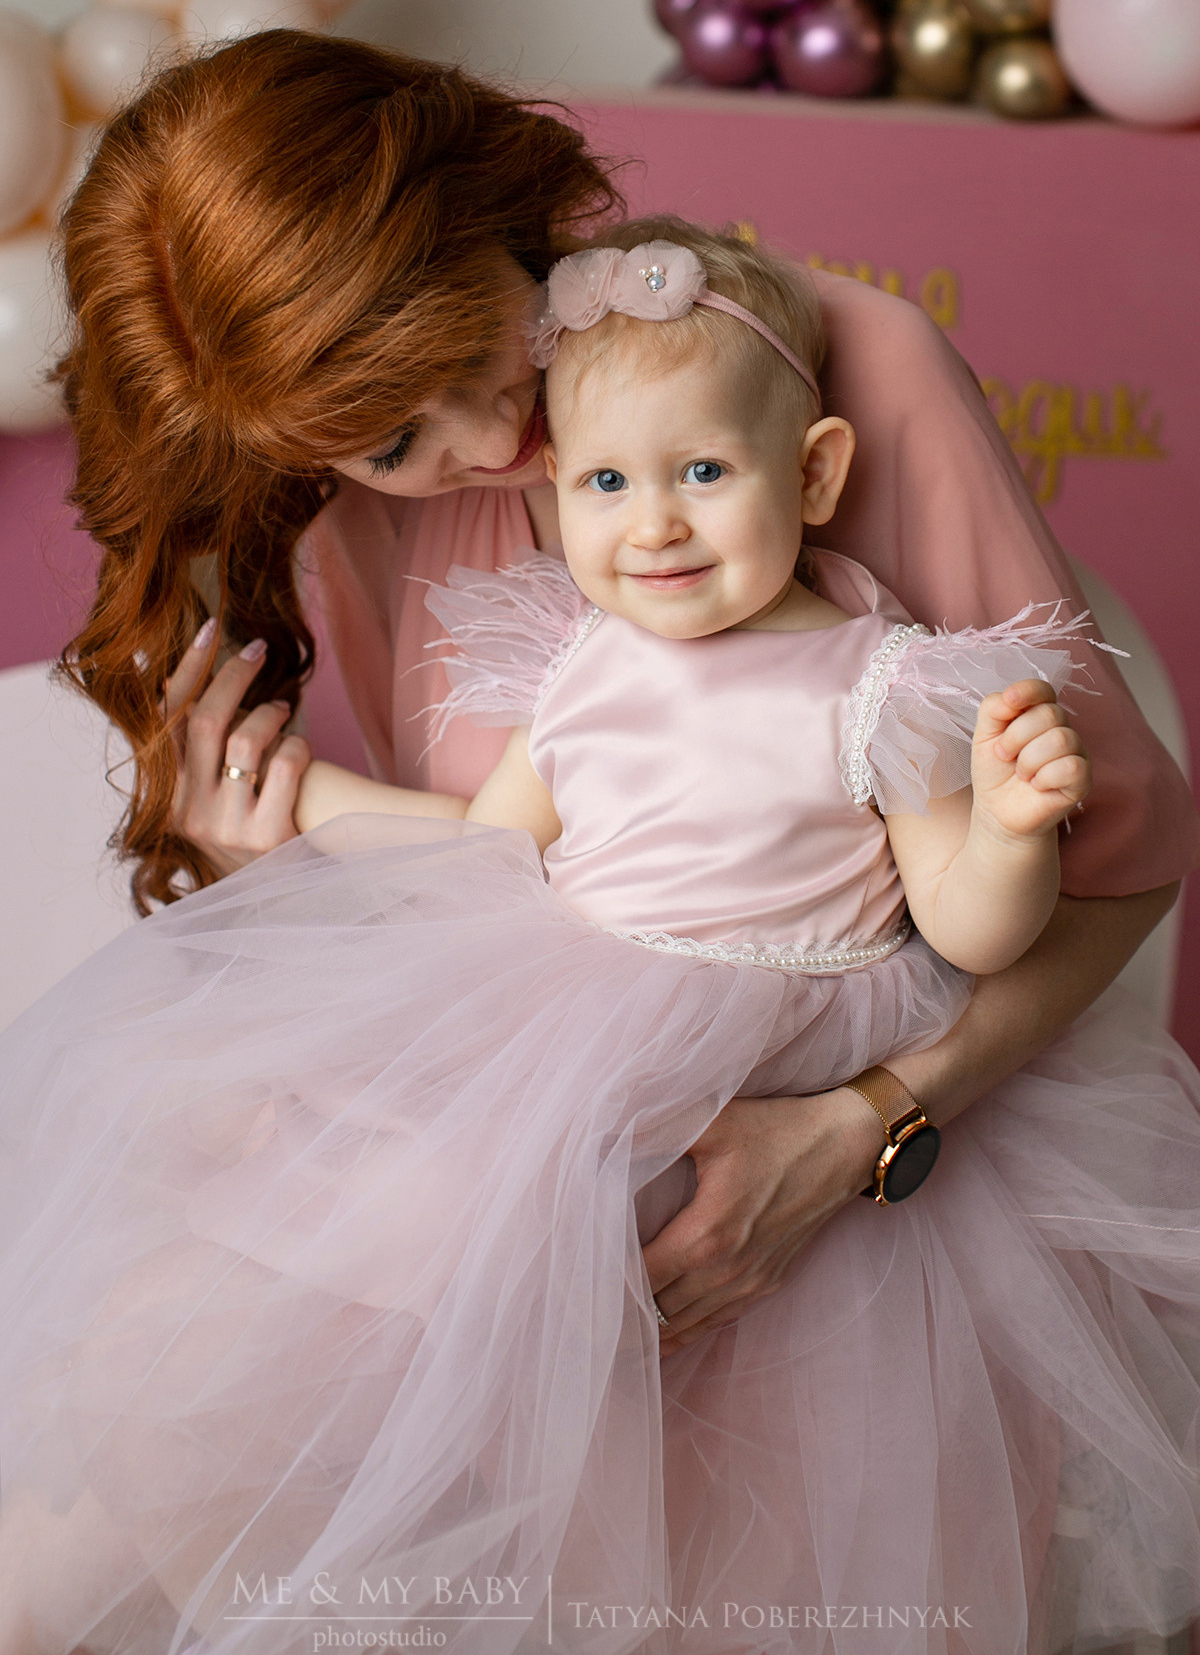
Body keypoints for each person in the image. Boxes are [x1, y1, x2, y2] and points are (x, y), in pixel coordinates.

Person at [2, 219, 1199, 1655]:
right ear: (566, 499)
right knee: (289, 1223)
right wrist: (296, 802)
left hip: (793, 1048)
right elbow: (482, 848)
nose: (656, 525)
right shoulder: (573, 664)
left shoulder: (881, 679)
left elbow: (970, 926)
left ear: (813, 474)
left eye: (703, 476)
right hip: (579, 1038)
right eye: (611, 486)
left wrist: (1005, 833)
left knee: (712, 1467)